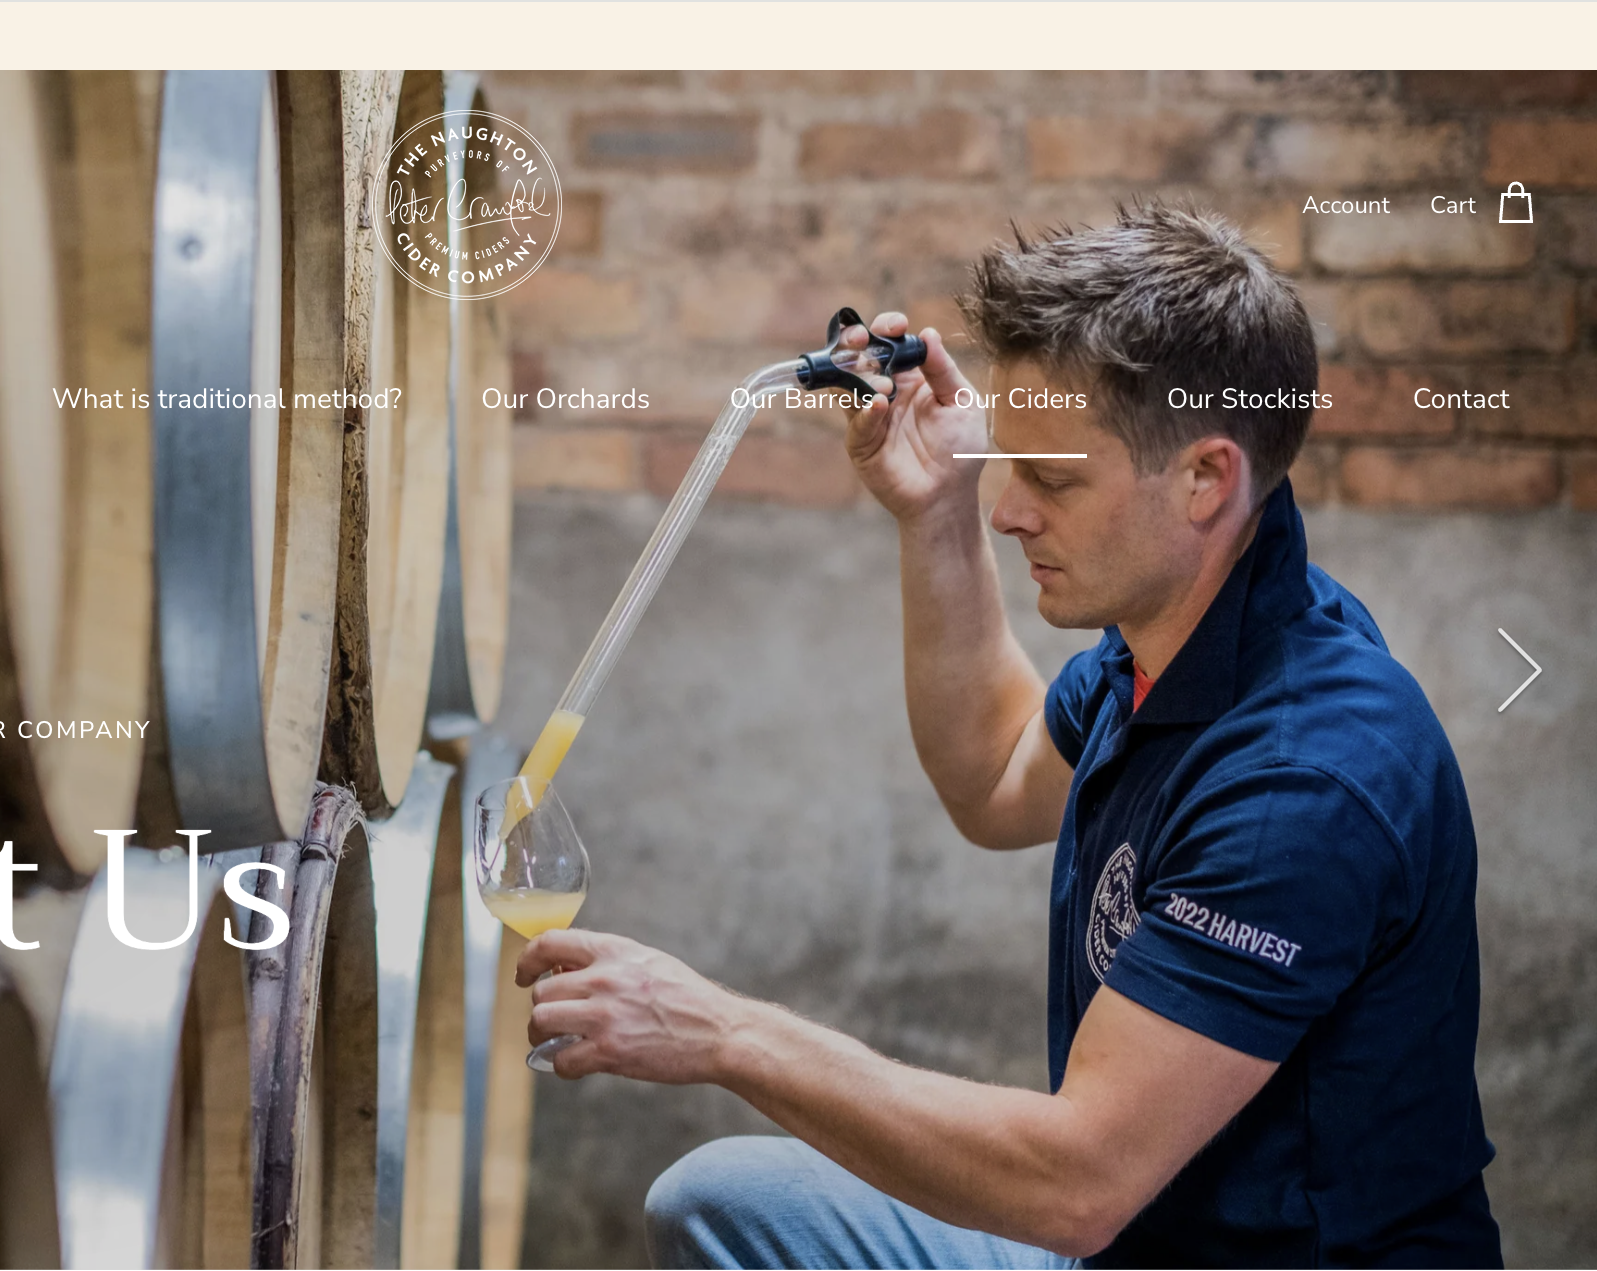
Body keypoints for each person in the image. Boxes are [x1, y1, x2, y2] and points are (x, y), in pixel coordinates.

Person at [518, 204, 1500, 1268]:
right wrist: (932, 512)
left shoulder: (1299, 783)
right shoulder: (1175, 647)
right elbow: (993, 775)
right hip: (1128, 1244)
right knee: (722, 1201)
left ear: (1204, 479)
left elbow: (1075, 1182)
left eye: (1052, 476)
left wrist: (723, 1032)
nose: (1009, 509)